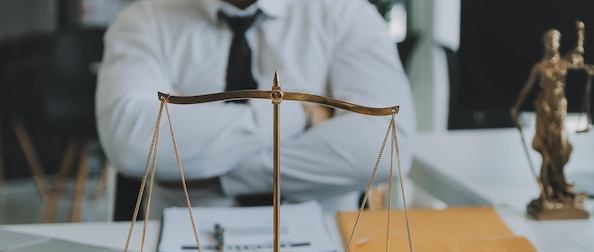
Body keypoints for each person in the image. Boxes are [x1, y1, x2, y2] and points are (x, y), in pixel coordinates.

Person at [96, 0, 416, 219]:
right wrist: (301, 115)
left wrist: (211, 173)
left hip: (325, 248)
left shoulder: (345, 13)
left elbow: (386, 146)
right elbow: (132, 145)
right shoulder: (144, 20)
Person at [512, 22, 594, 204]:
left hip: (559, 113)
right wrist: (516, 108)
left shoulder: (563, 64)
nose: (553, 43)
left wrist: (581, 33)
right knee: (547, 153)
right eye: (549, 40)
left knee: (562, 151)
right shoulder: (540, 67)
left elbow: (578, 55)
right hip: (545, 112)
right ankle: (548, 190)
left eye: (556, 39)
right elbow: (527, 89)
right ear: (545, 43)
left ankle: (560, 188)